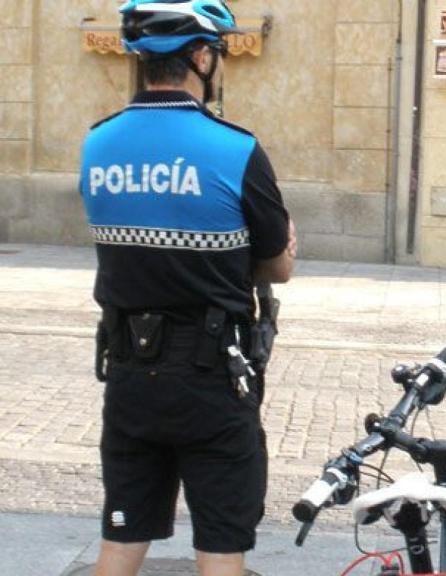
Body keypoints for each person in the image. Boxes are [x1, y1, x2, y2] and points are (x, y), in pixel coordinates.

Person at [79, 1, 296, 575]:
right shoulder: (235, 148)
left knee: (120, 542)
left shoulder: (96, 145)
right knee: (221, 548)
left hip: (128, 373)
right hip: (211, 380)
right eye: (216, 54)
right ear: (200, 57)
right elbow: (278, 265)